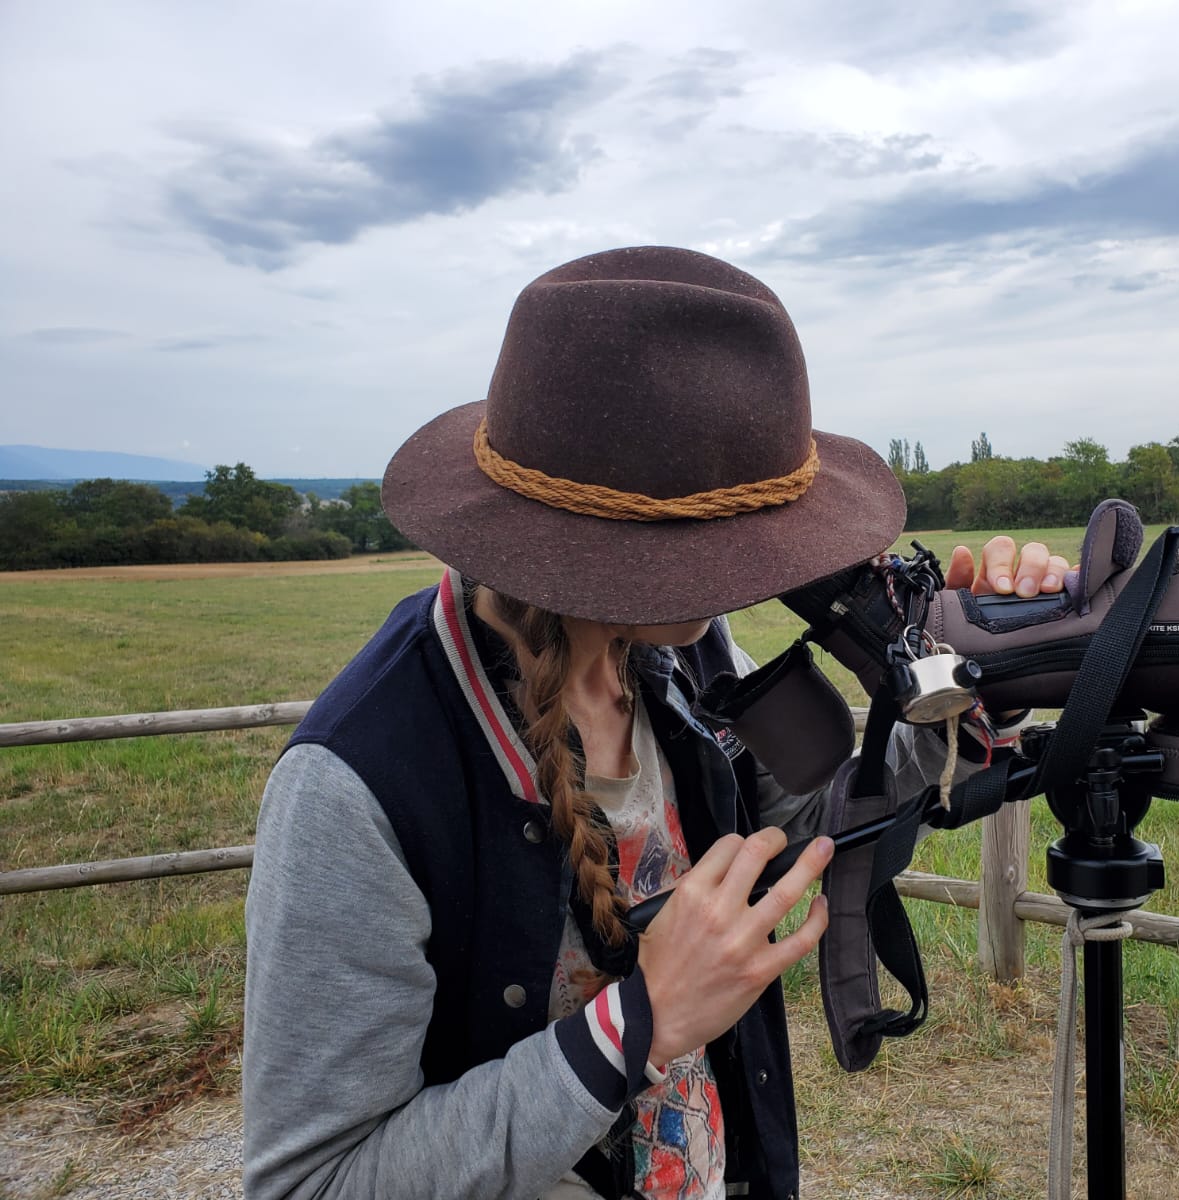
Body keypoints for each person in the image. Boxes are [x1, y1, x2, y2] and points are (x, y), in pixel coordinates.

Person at [242, 246, 1072, 1200]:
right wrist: (639, 1023)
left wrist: (965, 693)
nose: (762, 565)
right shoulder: (359, 784)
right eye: (731, 535)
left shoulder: (681, 651)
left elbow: (799, 831)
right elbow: (313, 1180)